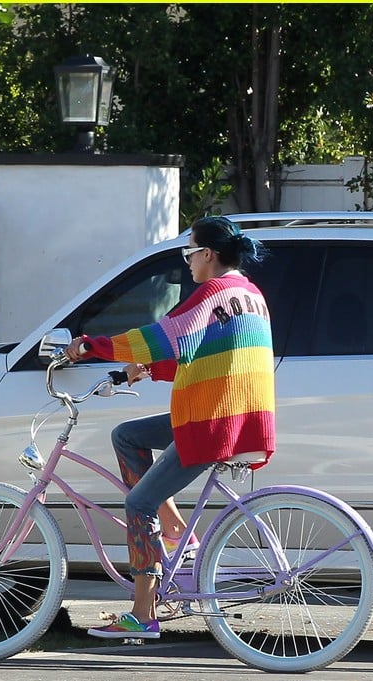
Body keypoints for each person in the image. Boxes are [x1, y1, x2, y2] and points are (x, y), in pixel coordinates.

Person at [65, 215, 276, 639]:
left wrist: (91, 346)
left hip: (214, 421)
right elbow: (202, 350)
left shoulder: (212, 292)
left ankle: (143, 613)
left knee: (138, 505)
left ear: (208, 254)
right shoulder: (248, 292)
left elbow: (162, 336)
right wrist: (146, 370)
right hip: (239, 415)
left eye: (190, 253)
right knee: (127, 436)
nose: (188, 263)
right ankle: (178, 531)